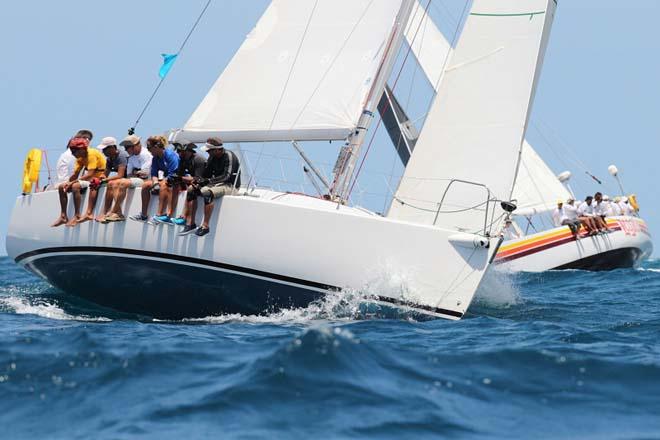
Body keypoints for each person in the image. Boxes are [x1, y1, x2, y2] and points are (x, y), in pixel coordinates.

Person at [179, 137, 241, 236]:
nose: (207, 152)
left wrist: (208, 181)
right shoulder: (212, 157)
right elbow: (206, 173)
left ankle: (205, 226)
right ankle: (191, 223)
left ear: (217, 150)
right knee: (191, 189)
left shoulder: (229, 156)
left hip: (230, 185)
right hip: (215, 183)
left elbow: (227, 176)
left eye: (209, 150)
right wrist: (198, 181)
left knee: (207, 193)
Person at [51, 137, 106, 227]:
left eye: (74, 151)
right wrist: (67, 182)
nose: (72, 154)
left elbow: (90, 174)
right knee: (62, 187)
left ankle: (77, 215)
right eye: (71, 151)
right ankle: (63, 216)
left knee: (75, 186)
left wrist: (72, 183)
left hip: (97, 178)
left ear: (82, 149)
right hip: (89, 179)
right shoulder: (80, 157)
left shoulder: (91, 154)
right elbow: (75, 174)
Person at [129, 136, 179, 223]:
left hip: (177, 180)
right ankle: (143, 215)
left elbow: (173, 174)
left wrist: (161, 182)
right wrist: (155, 183)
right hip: (165, 179)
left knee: (163, 184)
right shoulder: (155, 158)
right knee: (146, 185)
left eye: (149, 148)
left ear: (156, 147)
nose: (148, 150)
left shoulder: (170, 155)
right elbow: (154, 174)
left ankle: (159, 216)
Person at [167, 142, 206, 226]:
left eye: (180, 151)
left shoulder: (198, 159)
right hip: (195, 181)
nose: (178, 153)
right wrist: (176, 180)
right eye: (178, 151)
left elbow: (197, 179)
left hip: (204, 181)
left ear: (188, 151)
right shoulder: (183, 159)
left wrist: (181, 179)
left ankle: (184, 217)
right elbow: (179, 174)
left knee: (191, 189)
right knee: (174, 184)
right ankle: (169, 214)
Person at [95, 137, 129, 222]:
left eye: (105, 149)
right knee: (110, 183)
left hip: (129, 178)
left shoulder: (122, 156)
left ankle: (117, 212)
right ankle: (106, 212)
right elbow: (105, 174)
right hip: (121, 180)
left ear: (113, 147)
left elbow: (120, 175)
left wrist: (104, 180)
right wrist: (101, 177)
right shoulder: (109, 159)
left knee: (111, 183)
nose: (103, 152)